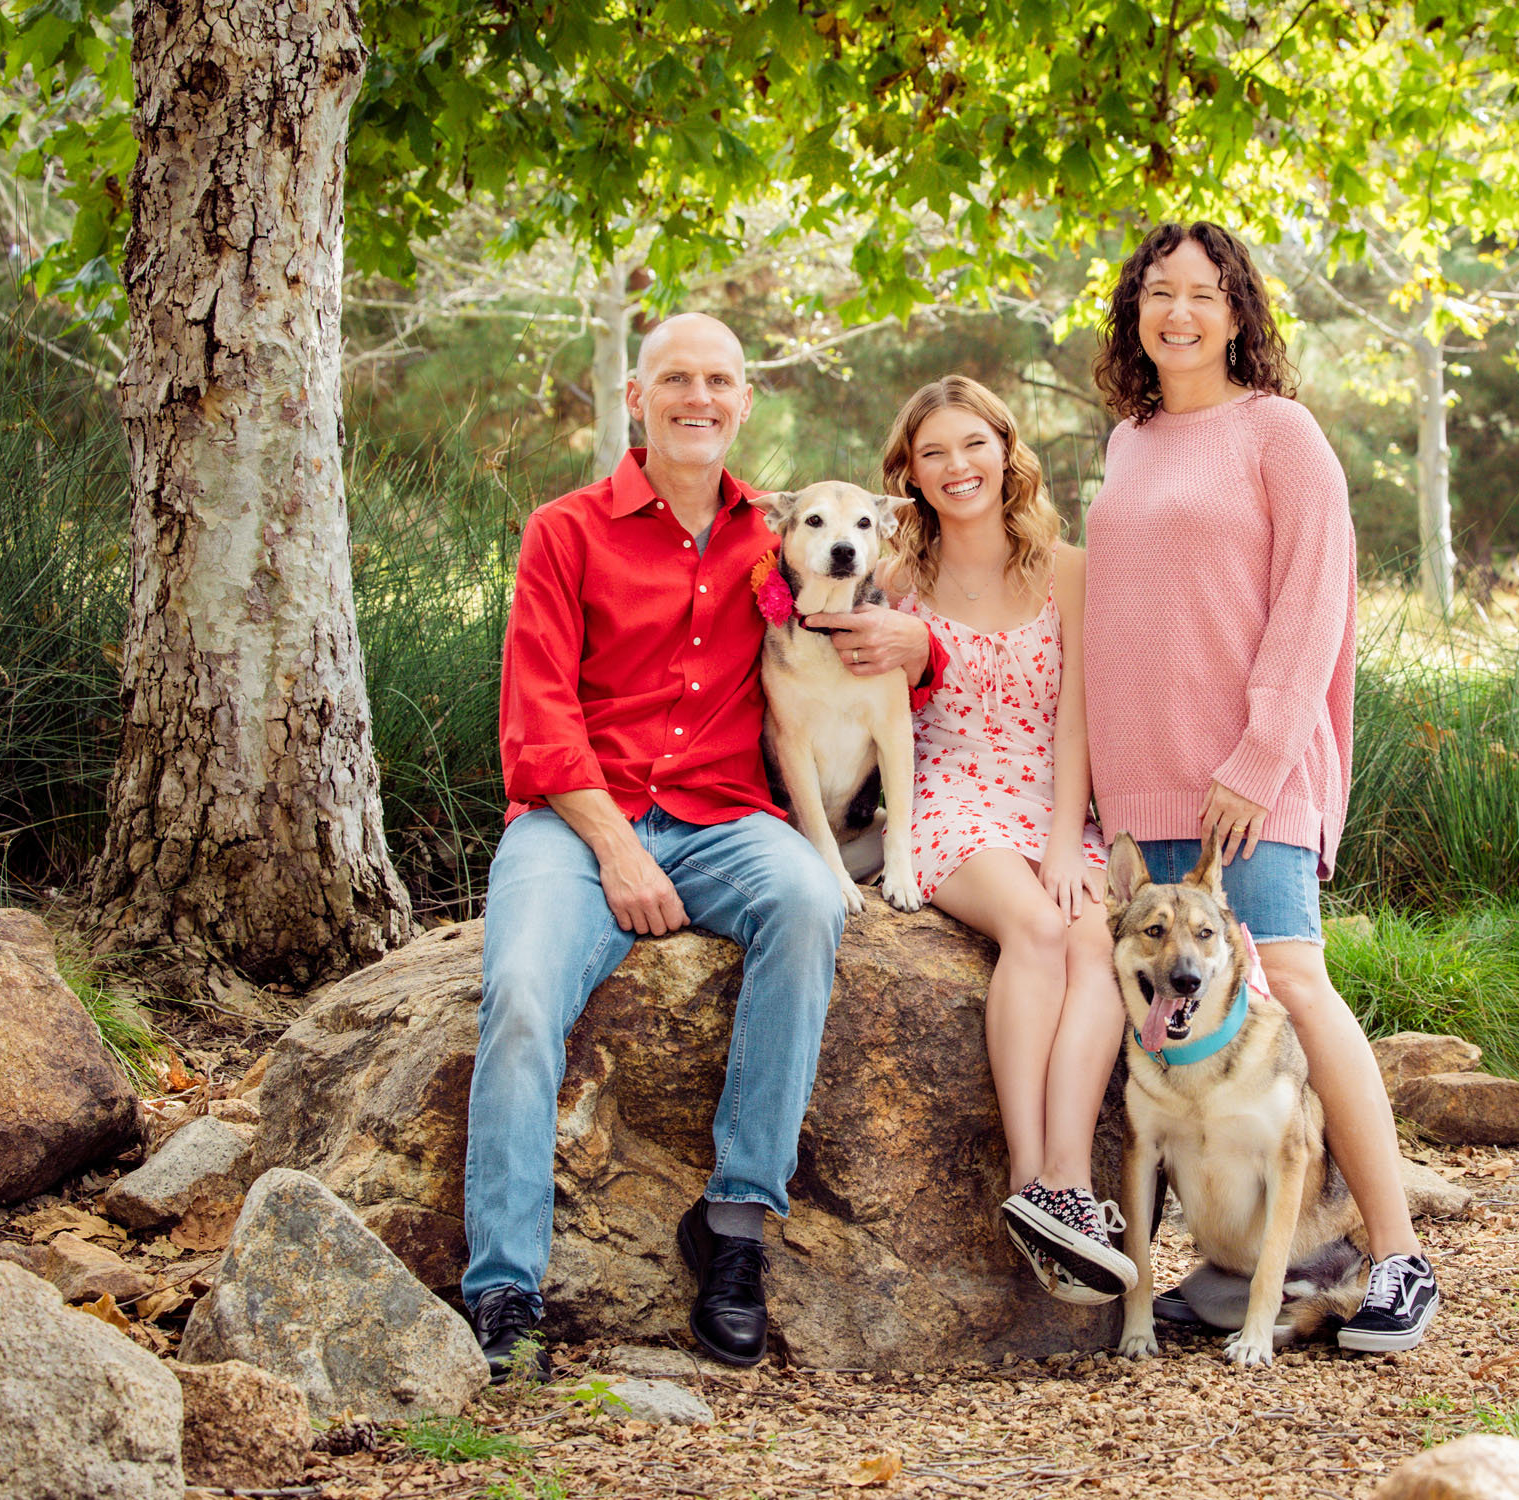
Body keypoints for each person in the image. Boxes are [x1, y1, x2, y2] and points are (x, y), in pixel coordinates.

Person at [463, 313, 927, 1377]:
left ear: (745, 402)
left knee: (811, 905)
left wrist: (919, 645)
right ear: (638, 396)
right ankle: (503, 1289)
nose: (699, 397)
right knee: (525, 990)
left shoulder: (774, 534)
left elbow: (858, 635)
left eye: (721, 380)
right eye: (677, 378)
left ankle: (734, 1226)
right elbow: (534, 718)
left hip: (722, 817)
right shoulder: (566, 531)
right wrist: (616, 852)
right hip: (579, 821)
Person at [1082, 222, 1443, 1352]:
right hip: (1139, 782)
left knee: (1288, 978)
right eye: (1157, 293)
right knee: (1153, 1004)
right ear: (1135, 313)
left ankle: (1399, 1259)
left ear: (1238, 313)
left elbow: (1316, 601)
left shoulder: (1280, 434)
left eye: (1202, 293)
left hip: (1251, 772)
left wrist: (1260, 754)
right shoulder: (1127, 442)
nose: (1177, 312)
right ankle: (1233, 1267)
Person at [876, 376, 1135, 1303]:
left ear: (1004, 450)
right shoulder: (896, 579)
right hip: (949, 796)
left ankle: (1066, 1184)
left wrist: (1069, 845)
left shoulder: (1066, 569)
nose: (957, 468)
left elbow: (1079, 721)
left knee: (1095, 941)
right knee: (1032, 928)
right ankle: (1033, 1179)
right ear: (908, 471)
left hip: (1051, 799)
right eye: (933, 453)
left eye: (972, 445)